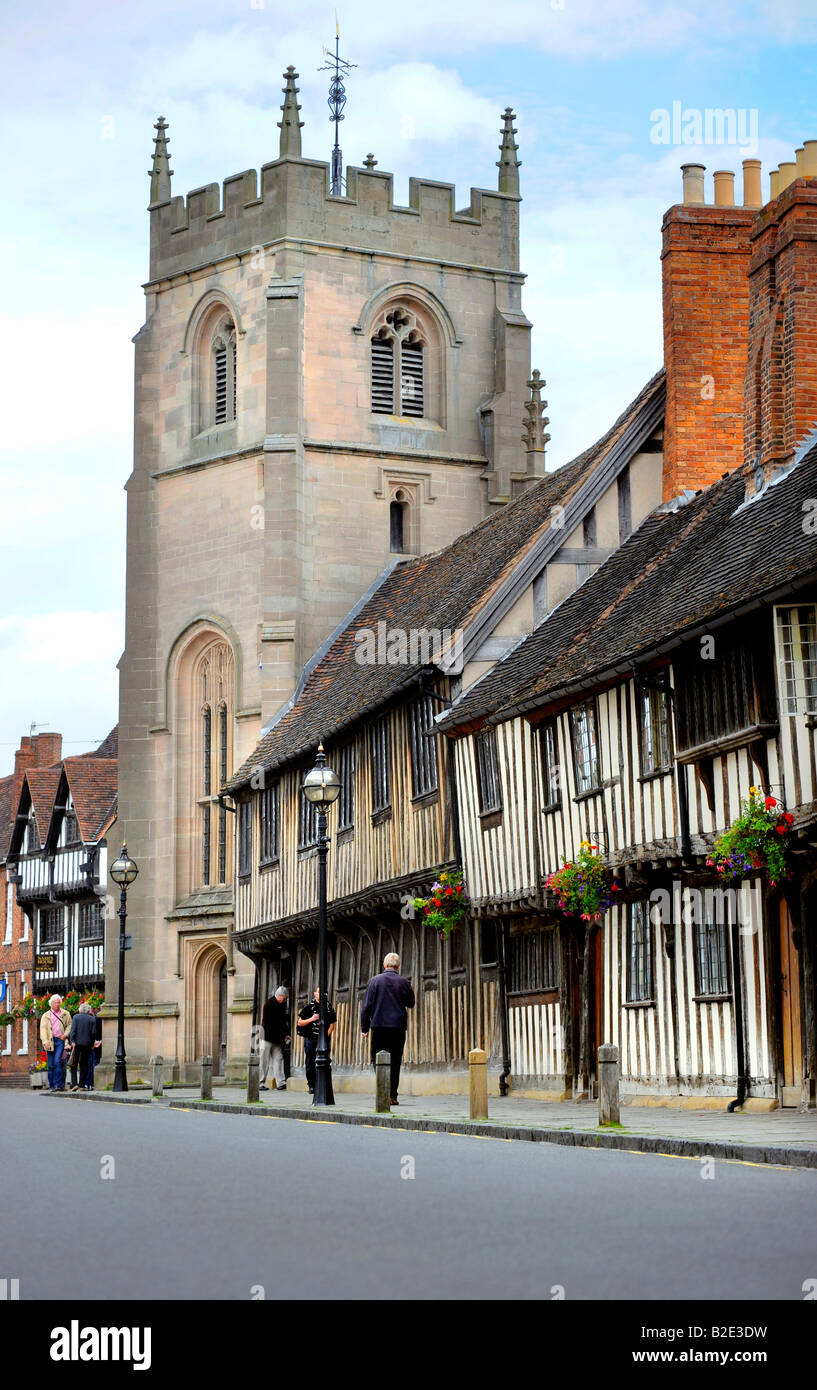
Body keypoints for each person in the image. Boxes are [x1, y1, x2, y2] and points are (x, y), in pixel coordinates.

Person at [360, 953, 415, 1105]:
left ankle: (383, 1092)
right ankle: (392, 1095)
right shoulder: (403, 982)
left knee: (377, 1060)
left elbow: (366, 1007)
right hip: (397, 1027)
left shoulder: (374, 981)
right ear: (398, 966)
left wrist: (364, 1027)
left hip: (379, 1027)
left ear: (384, 965)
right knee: (395, 1060)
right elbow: (411, 1003)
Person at [297, 986, 336, 1094]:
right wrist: (311, 1019)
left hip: (323, 1040)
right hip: (311, 1039)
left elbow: (332, 1026)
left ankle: (323, 1085)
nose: (321, 994)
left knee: (325, 1062)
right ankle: (311, 1085)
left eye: (324, 992)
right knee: (310, 1063)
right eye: (319, 992)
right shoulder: (309, 1007)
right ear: (315, 994)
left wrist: (323, 1038)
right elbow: (299, 1022)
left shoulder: (329, 1008)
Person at [260, 986, 290, 1092]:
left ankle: (281, 1083)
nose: (285, 1000)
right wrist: (283, 1034)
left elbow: (282, 1022)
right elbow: (271, 1023)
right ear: (279, 996)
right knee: (264, 1061)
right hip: (266, 1037)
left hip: (277, 1039)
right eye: (285, 998)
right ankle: (260, 1083)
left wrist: (285, 1034)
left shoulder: (281, 1005)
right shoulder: (269, 1004)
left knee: (278, 1059)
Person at [40, 994, 72, 1092]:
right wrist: (45, 1042)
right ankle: (52, 1085)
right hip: (50, 1041)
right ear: (51, 1004)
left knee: (58, 1061)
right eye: (55, 1003)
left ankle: (58, 1084)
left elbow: (69, 1024)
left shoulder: (65, 1013)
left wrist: (65, 1034)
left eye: (58, 1003)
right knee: (51, 1065)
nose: (57, 1004)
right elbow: (43, 1030)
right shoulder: (46, 1016)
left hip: (60, 1040)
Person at [67, 1002, 97, 1090]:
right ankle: (82, 1085)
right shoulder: (92, 1019)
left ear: (80, 1010)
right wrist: (92, 1044)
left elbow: (73, 1031)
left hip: (76, 1044)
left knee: (74, 1064)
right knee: (84, 1064)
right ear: (89, 1010)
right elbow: (93, 1033)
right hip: (87, 1045)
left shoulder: (76, 1017)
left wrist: (72, 1041)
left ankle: (74, 1083)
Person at [87, 1007, 102, 1090]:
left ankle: (88, 1083)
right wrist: (100, 1041)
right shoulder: (98, 1019)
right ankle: (93, 1083)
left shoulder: (87, 1020)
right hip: (97, 1045)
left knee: (89, 1064)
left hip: (89, 1045)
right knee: (94, 1063)